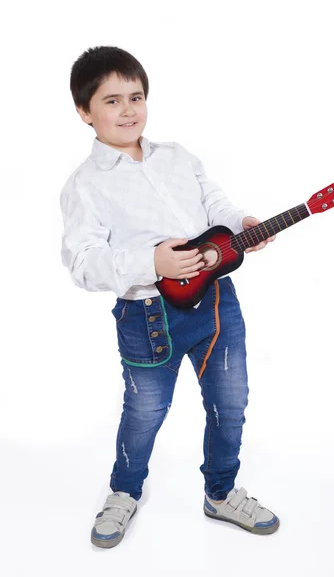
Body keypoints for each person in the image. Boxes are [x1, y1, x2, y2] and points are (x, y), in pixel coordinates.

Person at [60, 45, 279, 548]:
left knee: (232, 402)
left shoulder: (179, 157)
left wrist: (239, 223)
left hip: (218, 304)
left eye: (136, 97)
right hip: (147, 317)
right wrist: (149, 263)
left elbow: (214, 201)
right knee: (143, 414)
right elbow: (82, 263)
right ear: (83, 111)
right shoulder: (86, 186)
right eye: (111, 101)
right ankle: (124, 491)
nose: (129, 110)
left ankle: (220, 494)